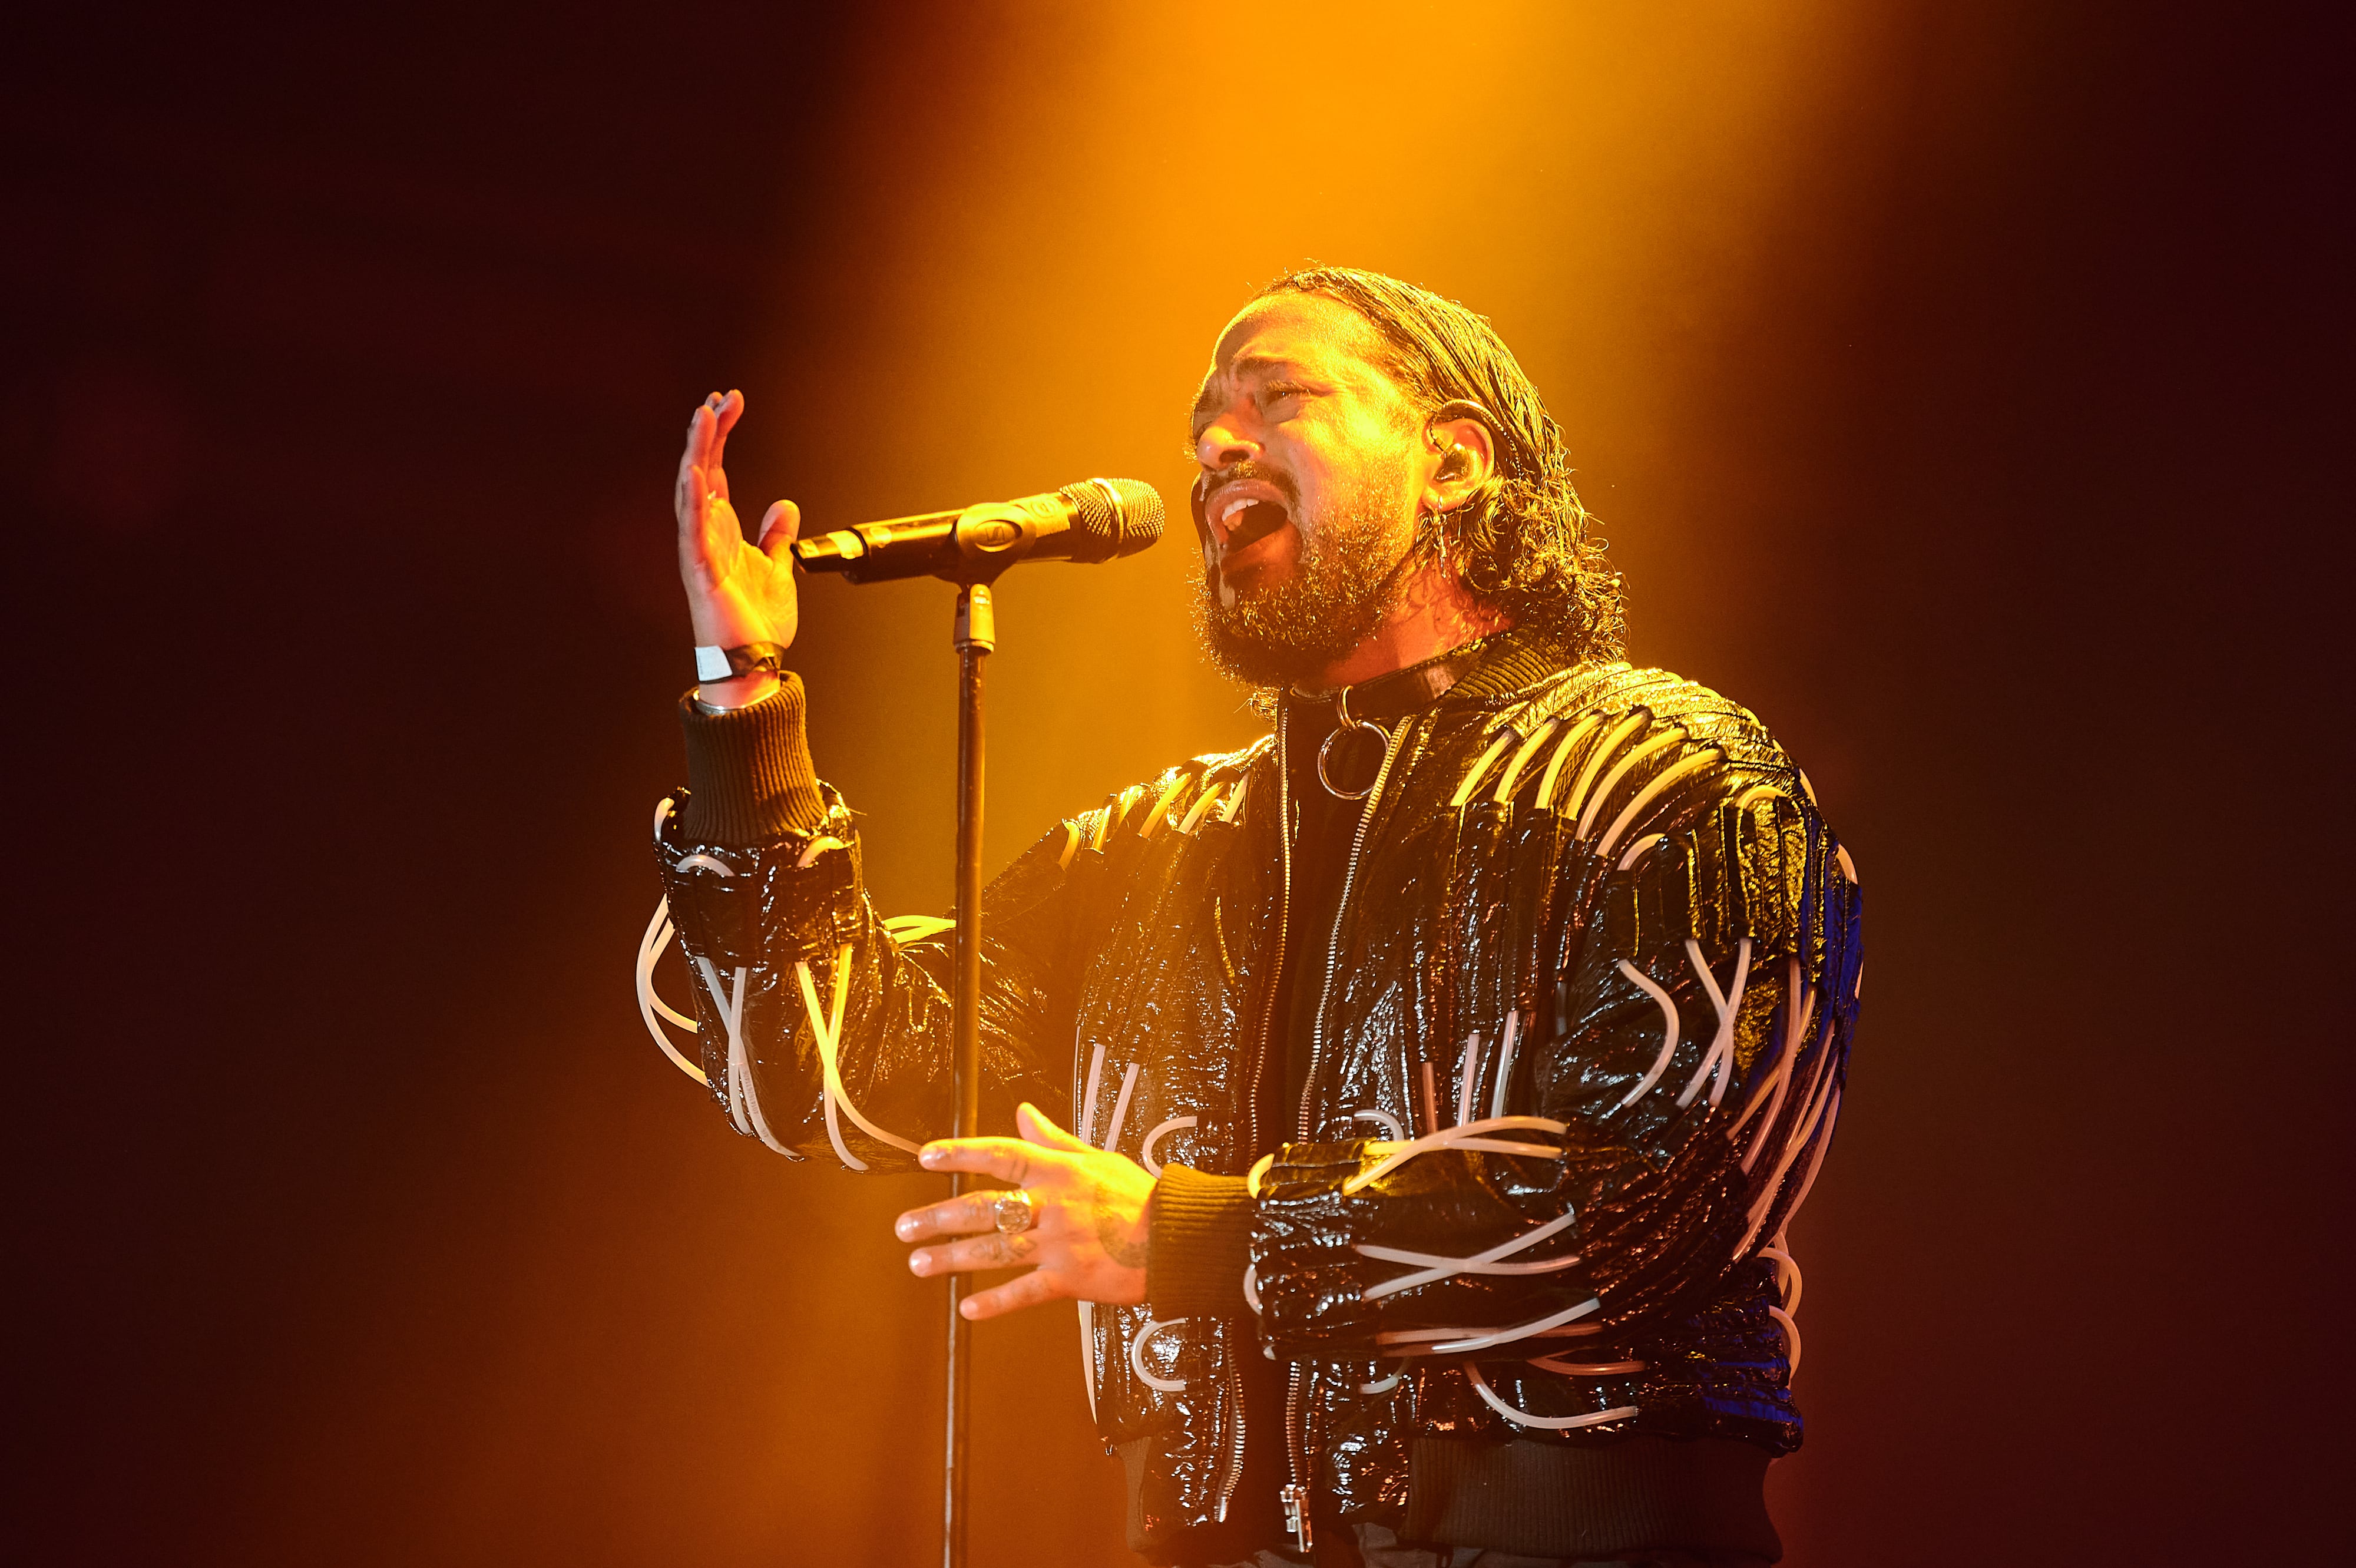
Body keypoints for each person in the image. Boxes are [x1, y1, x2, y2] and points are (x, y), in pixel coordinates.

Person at [642, 267, 1862, 1567]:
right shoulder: (1159, 848)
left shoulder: (1669, 781)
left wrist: (1187, 1232)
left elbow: (1650, 1205)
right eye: (1200, 430)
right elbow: (832, 1071)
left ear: (1450, 462)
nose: (1216, 443)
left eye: (1276, 399)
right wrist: (746, 696)